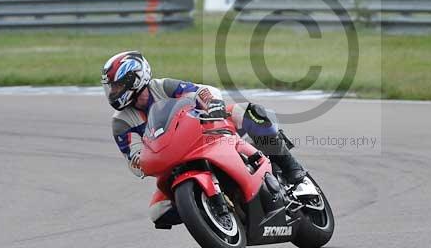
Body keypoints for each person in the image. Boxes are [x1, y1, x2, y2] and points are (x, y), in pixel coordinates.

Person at [101, 50, 306, 228]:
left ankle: (290, 167)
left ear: (134, 79)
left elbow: (204, 91)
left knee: (249, 112)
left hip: (203, 134)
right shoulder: (121, 122)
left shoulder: (163, 87)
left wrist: (213, 105)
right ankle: (207, 211)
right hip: (171, 163)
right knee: (158, 211)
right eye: (111, 87)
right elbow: (134, 160)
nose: (113, 92)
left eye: (117, 86)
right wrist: (142, 161)